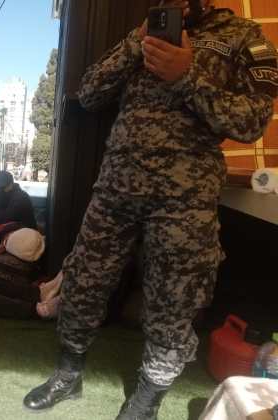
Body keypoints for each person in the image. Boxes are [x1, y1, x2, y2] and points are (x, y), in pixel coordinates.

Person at [23, 0, 278, 418]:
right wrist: (135, 42)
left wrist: (187, 76)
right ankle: (68, 375)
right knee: (84, 281)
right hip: (116, 187)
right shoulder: (146, 31)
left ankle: (146, 400)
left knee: (174, 302)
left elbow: (251, 122)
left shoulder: (244, 39)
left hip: (185, 199)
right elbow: (89, 92)